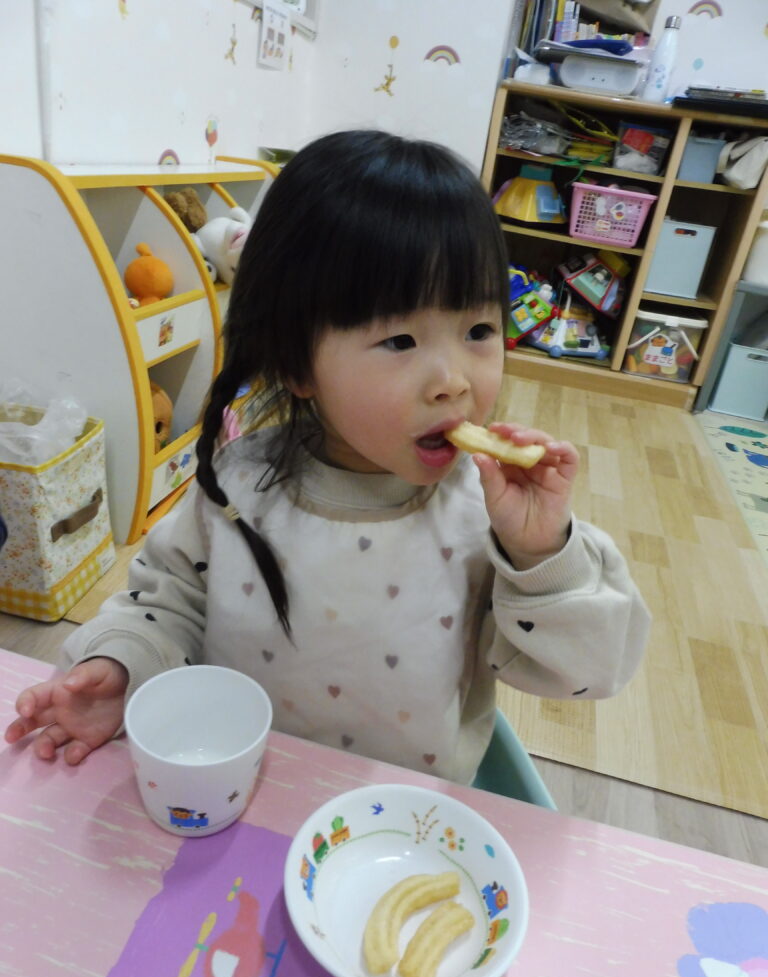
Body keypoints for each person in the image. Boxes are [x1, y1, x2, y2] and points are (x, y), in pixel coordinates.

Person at [4, 130, 650, 782]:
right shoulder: (240, 485)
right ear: (296, 363)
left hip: (403, 817)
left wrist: (541, 557)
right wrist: (120, 664)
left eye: (479, 330)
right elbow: (167, 604)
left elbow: (588, 674)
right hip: (244, 790)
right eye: (401, 340)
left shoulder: (488, 519)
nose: (453, 381)